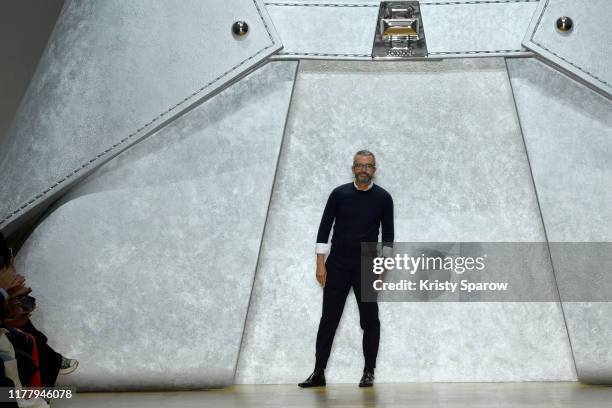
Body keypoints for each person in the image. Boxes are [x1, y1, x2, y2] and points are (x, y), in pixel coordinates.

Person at [298, 150, 394, 388]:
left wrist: (383, 269)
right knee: (329, 319)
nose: (364, 169)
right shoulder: (339, 194)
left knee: (370, 320)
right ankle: (318, 372)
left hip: (367, 265)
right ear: (353, 168)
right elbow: (324, 229)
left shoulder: (383, 198)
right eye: (360, 165)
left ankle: (369, 372)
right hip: (338, 263)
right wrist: (320, 264)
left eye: (369, 166)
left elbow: (388, 236)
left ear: (374, 169)